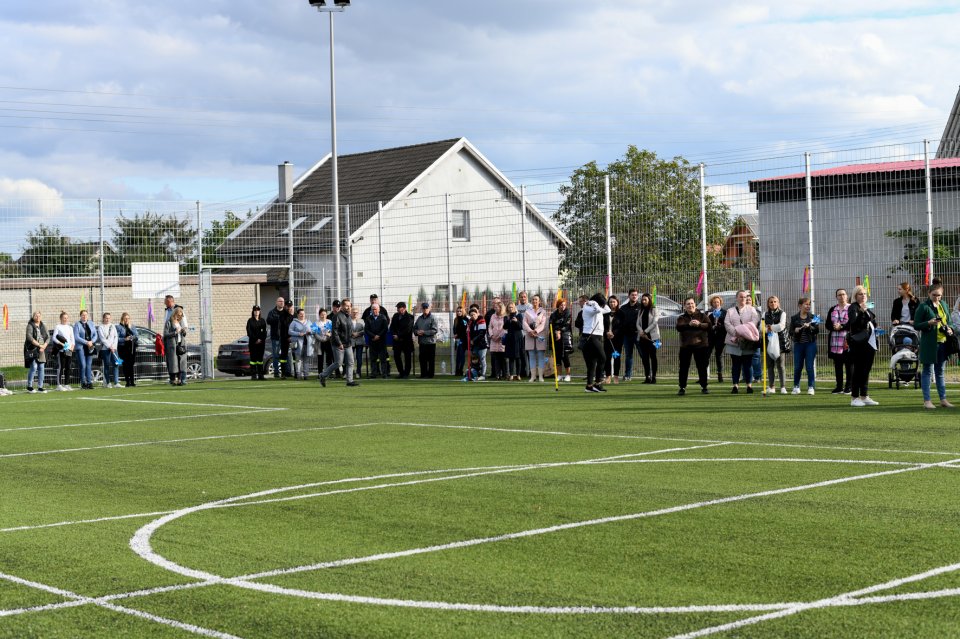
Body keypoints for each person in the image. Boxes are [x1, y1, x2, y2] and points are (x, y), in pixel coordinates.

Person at [915, 284, 956, 409]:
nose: (937, 298)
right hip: (929, 344)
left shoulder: (944, 305)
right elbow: (916, 325)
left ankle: (943, 399)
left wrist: (950, 329)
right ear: (929, 293)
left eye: (939, 295)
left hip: (943, 343)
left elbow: (949, 322)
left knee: (940, 372)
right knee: (927, 371)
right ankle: (927, 401)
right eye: (934, 295)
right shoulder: (923, 306)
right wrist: (929, 322)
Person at [847, 285, 879, 407]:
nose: (863, 296)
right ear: (855, 296)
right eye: (860, 294)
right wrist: (861, 311)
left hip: (870, 342)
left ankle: (864, 395)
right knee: (858, 370)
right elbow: (854, 323)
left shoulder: (867, 308)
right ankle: (854, 397)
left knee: (866, 370)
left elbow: (872, 321)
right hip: (858, 343)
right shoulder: (853, 307)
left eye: (865, 294)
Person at [724, 290, 761, 394]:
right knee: (735, 364)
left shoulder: (752, 309)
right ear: (737, 298)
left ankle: (749, 385)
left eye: (745, 297)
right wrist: (737, 333)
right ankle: (735, 385)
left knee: (748, 364)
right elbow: (727, 324)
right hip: (734, 340)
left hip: (748, 341)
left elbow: (754, 322)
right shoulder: (730, 311)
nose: (743, 298)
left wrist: (744, 332)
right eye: (741, 297)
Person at [676, 297, 711, 395]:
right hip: (685, 346)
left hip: (701, 346)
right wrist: (689, 324)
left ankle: (704, 386)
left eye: (692, 303)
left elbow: (709, 326)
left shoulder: (702, 316)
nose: (690, 305)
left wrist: (699, 324)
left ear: (695, 305)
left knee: (702, 367)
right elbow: (679, 327)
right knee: (683, 367)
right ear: (684, 306)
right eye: (688, 304)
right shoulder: (681, 318)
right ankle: (682, 387)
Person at [320, 299, 359, 387]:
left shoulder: (348, 316)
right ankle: (323, 375)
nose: (348, 307)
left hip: (348, 343)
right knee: (338, 363)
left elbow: (348, 329)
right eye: (346, 305)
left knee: (350, 362)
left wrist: (352, 334)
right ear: (342, 306)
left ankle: (350, 381)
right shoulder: (337, 316)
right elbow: (335, 331)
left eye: (349, 305)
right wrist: (339, 343)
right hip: (339, 344)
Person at [581, 293, 611, 393]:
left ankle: (589, 386)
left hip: (598, 336)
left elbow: (608, 310)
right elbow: (598, 309)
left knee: (593, 362)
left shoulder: (595, 306)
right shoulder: (587, 306)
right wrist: (593, 302)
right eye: (601, 304)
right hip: (590, 336)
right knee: (603, 358)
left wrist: (604, 302)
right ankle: (598, 383)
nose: (602, 306)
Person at [790, 297, 819, 395]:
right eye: (806, 304)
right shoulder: (794, 318)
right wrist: (795, 330)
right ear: (800, 306)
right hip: (798, 345)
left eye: (809, 304)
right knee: (798, 367)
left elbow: (817, 330)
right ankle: (796, 386)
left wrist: (809, 326)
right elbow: (790, 332)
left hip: (810, 345)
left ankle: (811, 387)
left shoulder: (813, 317)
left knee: (809, 367)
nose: (808, 306)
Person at [826, 288, 852, 395]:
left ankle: (849, 387)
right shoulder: (833, 309)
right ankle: (839, 387)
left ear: (847, 296)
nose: (841, 296)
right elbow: (827, 324)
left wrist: (841, 326)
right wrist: (834, 327)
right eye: (839, 295)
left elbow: (853, 323)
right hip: (835, 342)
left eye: (843, 294)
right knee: (838, 365)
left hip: (848, 341)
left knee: (849, 365)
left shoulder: (852, 308)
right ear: (836, 297)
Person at [762, 296, 788, 395]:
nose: (773, 303)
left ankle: (783, 387)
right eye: (771, 302)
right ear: (768, 303)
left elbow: (781, 326)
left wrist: (770, 327)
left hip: (779, 342)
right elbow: (761, 327)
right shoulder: (765, 314)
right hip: (768, 342)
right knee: (769, 365)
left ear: (778, 303)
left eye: (775, 302)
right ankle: (771, 386)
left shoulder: (782, 313)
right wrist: (766, 329)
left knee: (780, 365)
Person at [163, 295, 189, 385]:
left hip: (180, 343)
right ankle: (173, 379)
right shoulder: (168, 315)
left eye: (165, 301)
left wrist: (183, 331)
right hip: (171, 342)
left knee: (181, 361)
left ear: (170, 301)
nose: (164, 303)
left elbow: (185, 326)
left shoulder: (180, 312)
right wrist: (174, 333)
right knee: (173, 361)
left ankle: (182, 379)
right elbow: (166, 331)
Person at [522, 293, 548, 382]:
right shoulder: (527, 311)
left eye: (536, 299)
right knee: (531, 356)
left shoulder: (543, 311)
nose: (534, 301)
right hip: (529, 336)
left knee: (541, 356)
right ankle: (533, 376)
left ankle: (540, 376)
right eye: (533, 300)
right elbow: (524, 322)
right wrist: (530, 331)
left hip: (540, 335)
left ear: (539, 301)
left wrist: (536, 331)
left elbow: (543, 324)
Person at [636, 292, 660, 384]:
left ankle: (654, 376)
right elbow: (637, 323)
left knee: (653, 357)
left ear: (649, 300)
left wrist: (646, 331)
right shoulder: (641, 310)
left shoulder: (654, 309)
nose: (643, 301)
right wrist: (641, 332)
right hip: (642, 337)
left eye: (645, 299)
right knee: (645, 358)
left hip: (652, 337)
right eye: (642, 299)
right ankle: (647, 377)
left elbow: (655, 322)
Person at [618, 289, 642, 381]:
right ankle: (628, 375)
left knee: (643, 354)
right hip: (627, 335)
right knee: (629, 355)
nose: (634, 296)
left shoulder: (641, 307)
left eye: (636, 295)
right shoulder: (623, 308)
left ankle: (649, 373)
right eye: (632, 295)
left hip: (638, 335)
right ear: (629, 296)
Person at [24, 311, 49, 393]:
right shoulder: (30, 325)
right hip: (32, 349)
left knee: (41, 367)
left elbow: (48, 337)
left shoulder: (43, 325)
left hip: (42, 349)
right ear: (33, 317)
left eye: (39, 316)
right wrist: (39, 345)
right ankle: (29, 386)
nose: (37, 317)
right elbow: (29, 337)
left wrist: (44, 346)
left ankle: (40, 387)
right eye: (36, 316)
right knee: (34, 367)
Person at [550, 298, 573, 383]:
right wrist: (556, 332)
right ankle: (559, 375)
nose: (563, 307)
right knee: (557, 357)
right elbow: (551, 323)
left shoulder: (568, 313)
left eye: (564, 305)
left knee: (565, 356)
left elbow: (566, 325)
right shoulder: (554, 314)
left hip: (565, 337)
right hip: (555, 337)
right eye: (561, 305)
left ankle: (568, 375)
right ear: (558, 305)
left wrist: (559, 331)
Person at [73, 309, 97, 390]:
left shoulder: (91, 323)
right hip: (81, 347)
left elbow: (95, 335)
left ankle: (89, 383)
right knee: (83, 365)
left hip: (90, 347)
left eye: (86, 315)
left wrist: (91, 342)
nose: (84, 316)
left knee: (89, 365)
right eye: (83, 315)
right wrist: (86, 342)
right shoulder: (77, 324)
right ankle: (83, 382)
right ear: (80, 316)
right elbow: (76, 337)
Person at [390, 302, 415, 379]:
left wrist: (399, 335)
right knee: (396, 356)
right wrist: (394, 335)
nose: (397, 309)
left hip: (406, 341)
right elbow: (392, 327)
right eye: (397, 308)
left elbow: (408, 329)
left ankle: (406, 373)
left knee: (407, 357)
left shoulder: (410, 317)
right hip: (396, 341)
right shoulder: (395, 316)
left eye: (399, 308)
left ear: (404, 308)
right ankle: (401, 372)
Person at [52, 311, 76, 391]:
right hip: (62, 350)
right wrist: (61, 344)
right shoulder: (58, 327)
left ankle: (66, 384)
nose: (65, 319)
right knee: (61, 367)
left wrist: (72, 346)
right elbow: (54, 338)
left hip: (69, 350)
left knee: (68, 367)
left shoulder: (70, 327)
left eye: (66, 318)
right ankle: (59, 385)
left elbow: (72, 339)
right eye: (64, 318)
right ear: (61, 318)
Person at [414, 302, 438, 378]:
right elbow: (414, 328)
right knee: (422, 360)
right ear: (422, 309)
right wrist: (417, 332)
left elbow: (434, 330)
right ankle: (423, 374)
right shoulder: (419, 318)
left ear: (429, 308)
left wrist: (424, 332)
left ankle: (430, 375)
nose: (425, 309)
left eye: (426, 308)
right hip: (422, 342)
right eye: (423, 308)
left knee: (430, 360)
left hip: (430, 343)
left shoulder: (433, 318)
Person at [364, 303, 389, 378]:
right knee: (373, 358)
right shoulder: (368, 318)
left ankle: (384, 373)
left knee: (383, 358)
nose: (374, 310)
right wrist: (373, 336)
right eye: (373, 309)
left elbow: (385, 328)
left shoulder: (383, 317)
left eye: (375, 309)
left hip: (381, 341)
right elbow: (366, 329)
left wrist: (378, 336)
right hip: (372, 341)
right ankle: (373, 373)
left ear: (379, 309)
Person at [707, 295, 727, 383]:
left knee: (719, 355)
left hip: (721, 337)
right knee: (706, 354)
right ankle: (703, 374)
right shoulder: (709, 314)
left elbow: (727, 324)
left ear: (720, 303)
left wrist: (719, 327)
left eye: (717, 302)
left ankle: (720, 374)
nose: (716, 304)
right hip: (711, 337)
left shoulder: (725, 313)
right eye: (714, 302)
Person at [288, 308, 312, 380]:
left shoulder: (309, 322)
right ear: (298, 315)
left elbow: (313, 330)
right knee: (298, 360)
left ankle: (306, 375)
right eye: (301, 314)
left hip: (307, 344)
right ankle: (298, 375)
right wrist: (299, 334)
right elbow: (290, 331)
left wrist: (310, 332)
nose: (302, 315)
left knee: (306, 360)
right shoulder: (294, 322)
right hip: (298, 344)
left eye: (303, 314)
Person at [97, 312, 120, 389]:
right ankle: (108, 382)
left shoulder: (113, 326)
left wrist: (114, 346)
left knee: (116, 364)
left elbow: (116, 337)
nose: (107, 319)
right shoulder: (100, 327)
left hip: (114, 349)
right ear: (103, 318)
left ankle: (116, 382)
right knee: (106, 365)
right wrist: (109, 346)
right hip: (105, 349)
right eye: (106, 318)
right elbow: (102, 339)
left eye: (109, 318)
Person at [117, 312, 139, 388]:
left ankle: (132, 381)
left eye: (128, 318)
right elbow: (117, 338)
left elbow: (136, 336)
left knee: (131, 365)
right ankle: (127, 382)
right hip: (123, 348)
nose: (127, 320)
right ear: (122, 319)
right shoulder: (119, 327)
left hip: (131, 348)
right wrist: (124, 339)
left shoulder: (132, 326)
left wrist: (131, 334)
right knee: (125, 365)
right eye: (125, 318)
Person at [603, 295, 622, 385]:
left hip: (617, 339)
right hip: (607, 339)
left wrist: (613, 333)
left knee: (616, 357)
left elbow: (622, 326)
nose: (612, 303)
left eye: (614, 302)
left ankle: (616, 377)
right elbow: (602, 325)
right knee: (607, 358)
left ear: (617, 302)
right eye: (610, 302)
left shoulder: (621, 313)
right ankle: (608, 377)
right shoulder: (605, 313)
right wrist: (607, 332)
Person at [266, 296, 286, 378]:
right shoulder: (272, 312)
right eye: (280, 301)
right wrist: (277, 319)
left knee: (284, 355)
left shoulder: (285, 312)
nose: (281, 303)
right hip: (276, 337)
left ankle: (285, 372)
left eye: (283, 301)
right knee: (275, 355)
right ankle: (276, 373)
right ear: (276, 302)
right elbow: (268, 321)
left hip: (284, 337)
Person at [504, 302, 524, 380]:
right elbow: (504, 327)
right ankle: (511, 374)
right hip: (510, 338)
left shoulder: (519, 315)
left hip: (518, 338)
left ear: (515, 308)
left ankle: (518, 374)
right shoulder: (506, 317)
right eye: (509, 307)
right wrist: (509, 321)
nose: (511, 309)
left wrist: (516, 321)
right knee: (511, 357)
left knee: (518, 357)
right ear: (507, 309)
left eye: (512, 307)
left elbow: (521, 327)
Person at [466, 307, 488, 380]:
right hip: (474, 345)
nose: (473, 316)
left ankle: (483, 375)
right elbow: (470, 333)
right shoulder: (470, 322)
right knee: (475, 360)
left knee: (482, 359)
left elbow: (481, 333)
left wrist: (473, 340)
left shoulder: (481, 321)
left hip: (482, 344)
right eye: (471, 315)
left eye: (474, 314)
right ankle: (475, 373)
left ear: (477, 314)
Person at [246, 305, 267, 381]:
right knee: (253, 360)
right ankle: (254, 375)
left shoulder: (262, 321)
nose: (256, 312)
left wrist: (260, 339)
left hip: (261, 343)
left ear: (260, 311)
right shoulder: (250, 321)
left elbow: (264, 332)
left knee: (260, 359)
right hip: (253, 343)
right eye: (255, 310)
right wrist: (256, 339)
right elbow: (249, 332)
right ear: (253, 311)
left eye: (258, 310)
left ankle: (261, 375)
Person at [488, 301, 507, 380]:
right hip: (493, 340)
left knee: (503, 358)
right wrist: (492, 335)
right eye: (494, 307)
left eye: (497, 307)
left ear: (501, 308)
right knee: (496, 358)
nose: (495, 308)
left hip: (502, 340)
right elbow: (490, 327)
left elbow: (505, 328)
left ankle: (505, 374)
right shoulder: (492, 316)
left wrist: (499, 336)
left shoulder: (505, 317)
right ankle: (497, 374)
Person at [313, 308, 333, 377]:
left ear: (326, 315)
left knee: (329, 358)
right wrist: (322, 339)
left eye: (324, 314)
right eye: (321, 314)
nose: (323, 316)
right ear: (319, 315)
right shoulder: (316, 323)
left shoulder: (330, 322)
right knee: (320, 358)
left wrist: (329, 335)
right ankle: (320, 373)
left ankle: (329, 373)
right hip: (320, 343)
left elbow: (331, 331)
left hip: (328, 342)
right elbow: (315, 334)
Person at [515, 291, 532, 377]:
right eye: (521, 297)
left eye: (524, 297)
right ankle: (523, 371)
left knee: (529, 353)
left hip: (528, 333)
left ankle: (531, 372)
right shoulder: (516, 307)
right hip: (520, 333)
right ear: (519, 298)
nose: (523, 298)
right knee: (521, 353)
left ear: (527, 297)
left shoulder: (530, 306)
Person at [279, 300, 295, 379]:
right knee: (284, 356)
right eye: (288, 306)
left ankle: (296, 372)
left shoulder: (294, 315)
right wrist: (287, 337)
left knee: (295, 355)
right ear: (285, 306)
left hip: (293, 338)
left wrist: (292, 337)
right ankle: (283, 373)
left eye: (290, 306)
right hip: (284, 338)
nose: (289, 308)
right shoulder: (282, 315)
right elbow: (284, 327)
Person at [453, 306, 468, 377]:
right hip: (457, 340)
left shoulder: (465, 319)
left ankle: (461, 370)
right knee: (457, 356)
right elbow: (454, 328)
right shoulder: (455, 319)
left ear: (463, 311)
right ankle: (457, 371)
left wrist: (458, 335)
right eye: (458, 311)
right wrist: (455, 334)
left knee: (462, 356)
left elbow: (465, 330)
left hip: (463, 340)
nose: (459, 312)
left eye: (460, 311)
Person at [351, 308, 365, 378]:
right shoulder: (348, 320)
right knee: (350, 358)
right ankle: (350, 372)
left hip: (359, 341)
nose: (355, 313)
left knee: (359, 358)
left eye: (356, 312)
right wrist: (352, 334)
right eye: (353, 312)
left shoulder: (362, 321)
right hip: (351, 342)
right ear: (351, 313)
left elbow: (365, 330)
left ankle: (358, 372)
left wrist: (358, 333)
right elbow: (345, 330)